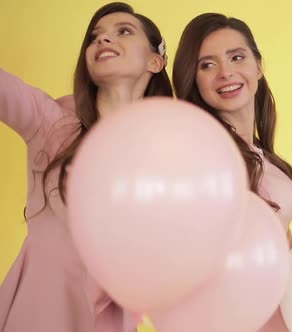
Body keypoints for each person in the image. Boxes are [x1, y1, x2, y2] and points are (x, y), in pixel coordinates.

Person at [0, 2, 172, 331]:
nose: (103, 41)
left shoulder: (168, 151)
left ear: (155, 60)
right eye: (95, 38)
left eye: (123, 31)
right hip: (38, 316)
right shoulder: (51, 122)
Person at [173, 13, 292, 238]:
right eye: (208, 65)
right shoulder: (204, 159)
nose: (225, 73)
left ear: (258, 66)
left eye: (236, 57)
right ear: (194, 80)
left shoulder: (265, 158)